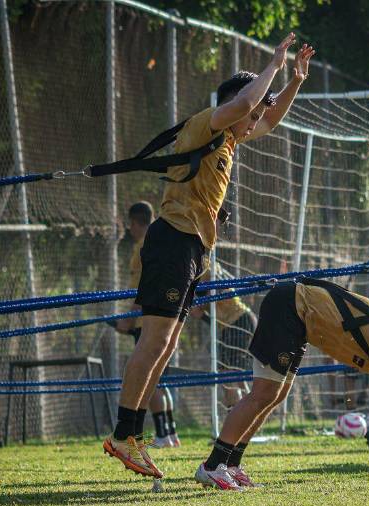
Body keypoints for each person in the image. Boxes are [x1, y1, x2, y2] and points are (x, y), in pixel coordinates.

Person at [102, 34, 316, 479]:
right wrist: (274, 65)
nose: (254, 119)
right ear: (235, 102)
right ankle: (125, 433)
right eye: (251, 109)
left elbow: (268, 120)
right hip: (173, 240)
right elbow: (242, 108)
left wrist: (294, 81)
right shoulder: (207, 124)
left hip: (192, 248)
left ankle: (132, 434)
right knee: (155, 339)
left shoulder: (230, 142)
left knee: (167, 342)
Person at [194, 278, 369, 490]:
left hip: (297, 317)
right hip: (288, 306)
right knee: (263, 393)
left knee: (275, 395)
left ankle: (232, 465)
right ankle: (214, 464)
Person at [108, 201, 180, 449]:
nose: (130, 230)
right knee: (159, 378)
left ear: (135, 223)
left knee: (151, 379)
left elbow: (142, 288)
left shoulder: (143, 246)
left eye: (130, 225)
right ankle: (168, 433)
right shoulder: (160, 241)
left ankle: (159, 435)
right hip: (157, 317)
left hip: (145, 320)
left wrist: (128, 318)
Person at [190, 261, 257, 407]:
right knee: (233, 373)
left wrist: (201, 309)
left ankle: (238, 414)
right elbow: (216, 320)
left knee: (227, 373)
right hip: (231, 324)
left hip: (239, 321)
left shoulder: (210, 271)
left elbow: (222, 296)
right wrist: (201, 315)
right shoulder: (195, 279)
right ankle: (244, 413)